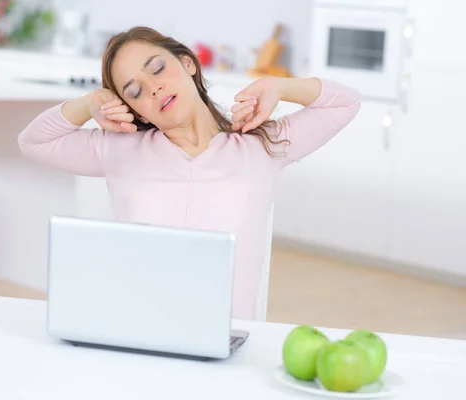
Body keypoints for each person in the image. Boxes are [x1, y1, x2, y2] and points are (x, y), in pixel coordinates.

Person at [18, 26, 361, 321]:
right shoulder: (119, 150)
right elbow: (33, 142)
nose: (152, 88)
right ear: (133, 108)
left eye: (157, 68)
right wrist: (90, 103)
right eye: (134, 91)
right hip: (133, 331)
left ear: (187, 64)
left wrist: (280, 87)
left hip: (226, 340)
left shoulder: (262, 147)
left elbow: (346, 102)